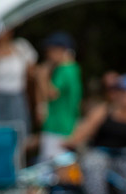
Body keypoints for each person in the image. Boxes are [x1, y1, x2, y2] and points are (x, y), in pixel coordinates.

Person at [35, 31, 82, 162]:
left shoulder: (65, 69)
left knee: (50, 169)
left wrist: (41, 76)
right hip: (66, 125)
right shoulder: (74, 68)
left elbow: (52, 93)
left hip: (58, 127)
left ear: (61, 50)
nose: (48, 55)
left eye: (50, 51)